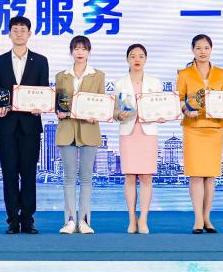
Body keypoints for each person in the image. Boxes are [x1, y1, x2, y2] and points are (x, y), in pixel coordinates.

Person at [0, 16, 50, 234]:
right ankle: (13, 219)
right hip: (6, 126)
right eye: (15, 30)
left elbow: (43, 91)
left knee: (29, 174)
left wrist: (41, 106)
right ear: (9, 34)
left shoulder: (40, 61)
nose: (19, 33)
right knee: (9, 174)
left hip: (30, 125)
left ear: (29, 34)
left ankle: (28, 220)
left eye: (23, 30)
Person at [177, 34, 223, 234]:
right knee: (196, 174)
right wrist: (185, 109)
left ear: (211, 49)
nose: (203, 52)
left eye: (206, 48)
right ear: (193, 50)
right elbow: (179, 98)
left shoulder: (221, 73)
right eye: (199, 48)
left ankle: (207, 217)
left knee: (210, 175)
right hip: (193, 127)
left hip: (214, 128)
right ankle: (198, 219)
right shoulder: (184, 73)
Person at [53, 35, 105, 235]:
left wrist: (96, 114)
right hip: (67, 130)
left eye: (84, 49)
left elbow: (101, 103)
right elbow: (58, 103)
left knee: (86, 178)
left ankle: (84, 221)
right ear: (71, 52)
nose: (80, 52)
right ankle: (69, 221)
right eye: (76, 49)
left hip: (89, 130)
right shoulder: (62, 76)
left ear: (89, 52)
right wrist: (58, 112)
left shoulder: (98, 75)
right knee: (68, 178)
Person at [114, 43, 163, 235]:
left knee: (146, 177)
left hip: (148, 133)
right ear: (127, 59)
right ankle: (131, 219)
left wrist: (161, 115)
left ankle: (143, 219)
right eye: (133, 56)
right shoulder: (120, 83)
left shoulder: (155, 82)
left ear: (146, 59)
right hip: (128, 132)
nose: (137, 59)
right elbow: (114, 111)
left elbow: (160, 106)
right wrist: (119, 115)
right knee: (129, 176)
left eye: (141, 56)